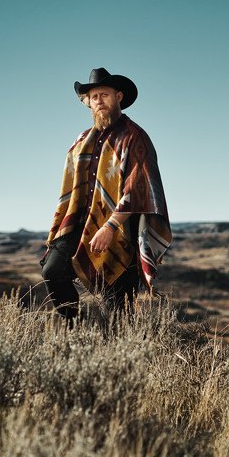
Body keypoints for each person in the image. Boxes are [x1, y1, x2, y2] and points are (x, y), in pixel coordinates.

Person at [41, 67, 171, 324]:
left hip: (121, 230)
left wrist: (110, 226)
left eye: (104, 94)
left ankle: (120, 353)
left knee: (118, 307)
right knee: (53, 270)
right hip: (80, 224)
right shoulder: (82, 140)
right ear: (87, 102)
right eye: (94, 96)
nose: (99, 101)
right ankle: (73, 325)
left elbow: (139, 188)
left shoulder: (134, 137)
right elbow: (71, 186)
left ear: (119, 97)